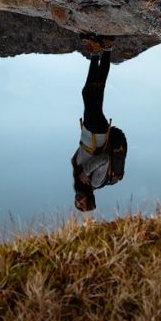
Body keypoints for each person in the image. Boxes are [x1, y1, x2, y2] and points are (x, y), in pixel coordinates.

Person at [71, 36, 120, 213]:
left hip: (88, 133)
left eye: (77, 202)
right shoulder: (96, 183)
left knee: (90, 91)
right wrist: (85, 171)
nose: (78, 199)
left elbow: (79, 155)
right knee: (93, 92)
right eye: (82, 202)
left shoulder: (78, 180)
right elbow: (104, 159)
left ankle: (100, 51)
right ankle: (103, 50)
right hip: (96, 134)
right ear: (89, 198)